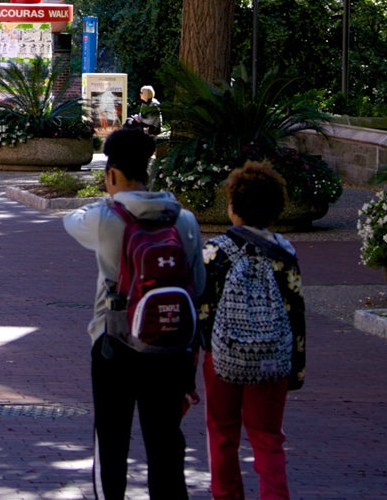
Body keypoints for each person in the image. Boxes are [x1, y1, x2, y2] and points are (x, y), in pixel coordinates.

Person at [63, 127, 206, 500]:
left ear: (111, 174)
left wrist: (105, 200)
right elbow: (199, 284)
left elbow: (69, 221)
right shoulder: (184, 221)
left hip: (114, 343)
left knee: (111, 443)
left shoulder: (105, 218)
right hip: (170, 346)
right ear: (149, 168)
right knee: (165, 446)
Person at [198, 161, 306, 500]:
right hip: (272, 358)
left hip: (223, 356)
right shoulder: (285, 254)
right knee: (268, 437)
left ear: (233, 207)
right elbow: (295, 312)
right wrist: (296, 368)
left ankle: (225, 494)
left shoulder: (215, 252)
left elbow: (203, 310)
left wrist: (204, 349)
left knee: (222, 432)